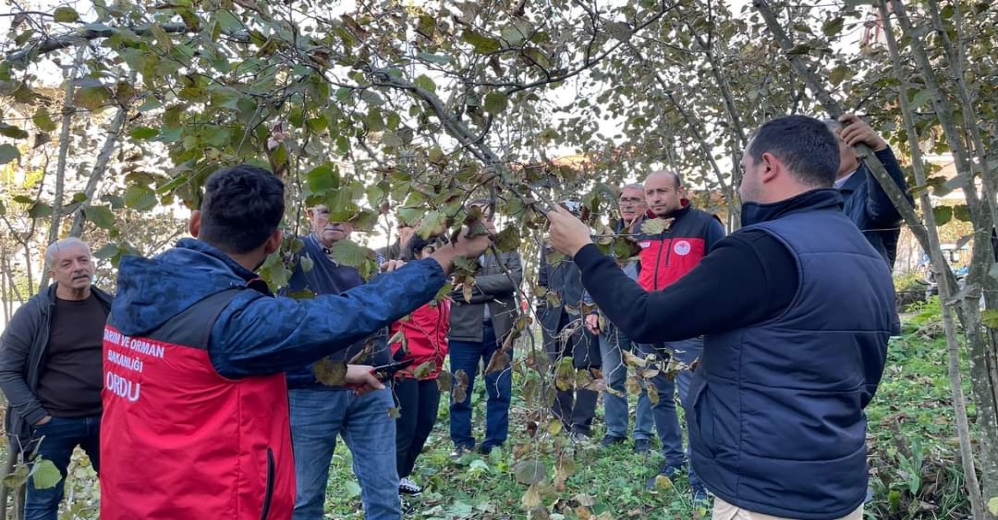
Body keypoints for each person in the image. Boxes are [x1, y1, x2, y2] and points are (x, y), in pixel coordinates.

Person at [546, 115, 898, 520]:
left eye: (743, 168)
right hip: (839, 481)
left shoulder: (763, 251)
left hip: (763, 492)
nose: (741, 179)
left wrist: (584, 250)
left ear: (767, 166)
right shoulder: (863, 250)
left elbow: (646, 316)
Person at [99, 164, 491, 520]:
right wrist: (451, 253)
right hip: (210, 504)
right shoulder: (233, 318)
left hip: (132, 502)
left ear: (195, 222)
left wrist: (336, 372)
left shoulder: (132, 299)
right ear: (275, 242)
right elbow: (354, 311)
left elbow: (206, 371)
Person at [281, 207, 400, 520]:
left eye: (344, 213)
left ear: (356, 221)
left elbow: (383, 314)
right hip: (311, 390)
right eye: (325, 212)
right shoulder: (292, 252)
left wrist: (400, 283)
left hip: (370, 388)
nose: (333, 219)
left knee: (385, 493)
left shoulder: (370, 260)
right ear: (309, 215)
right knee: (303, 498)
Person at [0, 238, 111, 520]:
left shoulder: (111, 306)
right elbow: (6, 369)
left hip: (106, 419)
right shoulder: (34, 313)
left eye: (83, 260)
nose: (78, 268)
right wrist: (37, 416)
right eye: (67, 263)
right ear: (53, 272)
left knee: (122, 489)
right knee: (42, 502)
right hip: (52, 422)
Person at [631, 171, 725, 497]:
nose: (655, 198)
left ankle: (702, 475)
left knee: (693, 401)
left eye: (661, 191)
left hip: (688, 328)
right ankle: (673, 462)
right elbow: (634, 273)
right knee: (658, 397)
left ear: (679, 191)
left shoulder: (705, 224)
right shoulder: (640, 228)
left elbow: (722, 276)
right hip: (649, 326)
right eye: (649, 193)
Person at [448, 199, 522, 458]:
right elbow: (453, 291)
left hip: (501, 331)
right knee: (460, 388)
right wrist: (492, 286)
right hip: (463, 331)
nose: (484, 219)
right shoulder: (455, 247)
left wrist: (473, 286)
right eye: (478, 214)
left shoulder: (507, 246)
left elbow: (512, 281)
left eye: (489, 214)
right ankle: (462, 443)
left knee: (499, 388)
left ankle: (495, 443)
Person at [583, 184, 652, 449]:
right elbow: (593, 273)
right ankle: (615, 431)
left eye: (635, 199)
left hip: (646, 315)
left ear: (645, 204)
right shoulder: (607, 238)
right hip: (609, 317)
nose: (628, 204)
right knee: (613, 377)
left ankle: (643, 435)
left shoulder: (654, 235)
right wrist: (590, 309)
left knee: (648, 375)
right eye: (624, 199)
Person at [390, 234, 450, 496]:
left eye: (440, 249)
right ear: (416, 254)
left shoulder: (444, 286)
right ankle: (387, 488)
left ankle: (401, 476)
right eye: (429, 249)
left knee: (424, 424)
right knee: (404, 428)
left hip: (432, 367)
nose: (435, 254)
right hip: (405, 366)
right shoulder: (405, 282)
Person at [537, 201, 601, 441]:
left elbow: (598, 278)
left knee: (587, 369)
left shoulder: (591, 243)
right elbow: (542, 280)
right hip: (555, 318)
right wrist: (543, 310)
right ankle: (560, 422)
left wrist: (592, 310)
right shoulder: (548, 246)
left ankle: (581, 427)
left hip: (584, 316)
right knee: (559, 369)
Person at [827, 113, 912, 268]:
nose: (825, 152)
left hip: (860, 287)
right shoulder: (809, 193)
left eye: (832, 144)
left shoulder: (870, 187)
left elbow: (892, 209)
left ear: (854, 148)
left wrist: (879, 150)